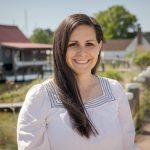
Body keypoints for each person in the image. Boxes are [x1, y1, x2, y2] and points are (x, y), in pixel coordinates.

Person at [17, 14, 140, 150]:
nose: (82, 52)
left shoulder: (114, 90)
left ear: (99, 47)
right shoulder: (40, 97)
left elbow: (129, 145)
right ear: (60, 48)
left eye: (89, 44)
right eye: (73, 44)